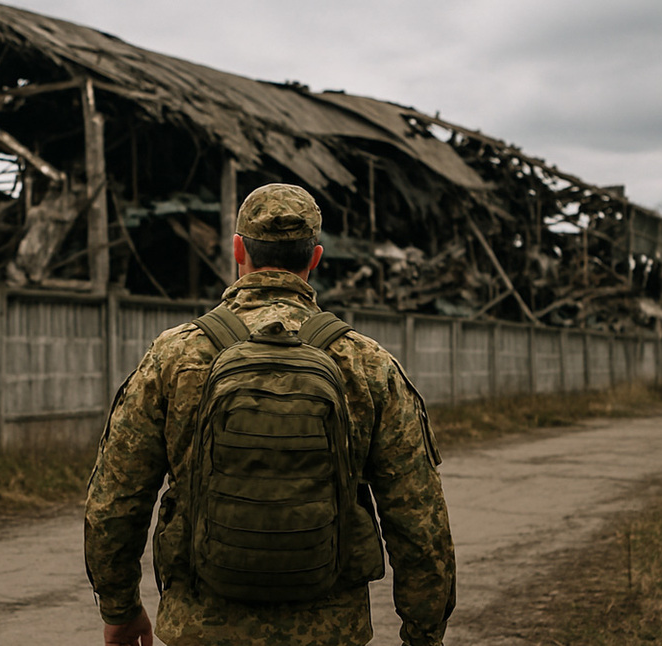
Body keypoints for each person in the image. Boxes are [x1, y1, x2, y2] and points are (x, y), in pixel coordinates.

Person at [85, 183, 456, 646]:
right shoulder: (365, 362)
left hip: (202, 626)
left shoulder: (176, 355)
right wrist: (424, 633)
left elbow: (116, 495)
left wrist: (120, 608)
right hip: (330, 629)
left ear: (238, 248)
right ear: (315, 258)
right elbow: (419, 518)